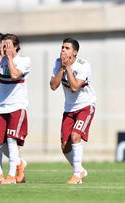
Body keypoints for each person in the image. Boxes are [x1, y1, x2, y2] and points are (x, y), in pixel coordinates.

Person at [50, 38, 97, 184]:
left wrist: (69, 67)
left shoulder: (84, 65)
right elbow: (53, 86)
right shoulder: (58, 63)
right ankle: (80, 169)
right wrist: (63, 68)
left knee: (75, 136)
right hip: (69, 108)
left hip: (85, 105)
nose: (63, 50)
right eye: (62, 47)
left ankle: (77, 175)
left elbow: (75, 87)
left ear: (75, 52)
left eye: (67, 48)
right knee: (65, 146)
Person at [0, 34, 30, 184]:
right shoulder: (0, 60)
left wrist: (10, 58)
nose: (6, 48)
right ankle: (5, 171)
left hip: (17, 107)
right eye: (4, 45)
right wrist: (0, 57)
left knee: (11, 141)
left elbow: (14, 75)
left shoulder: (24, 60)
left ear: (16, 46)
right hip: (0, 108)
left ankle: (11, 176)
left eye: (9, 45)